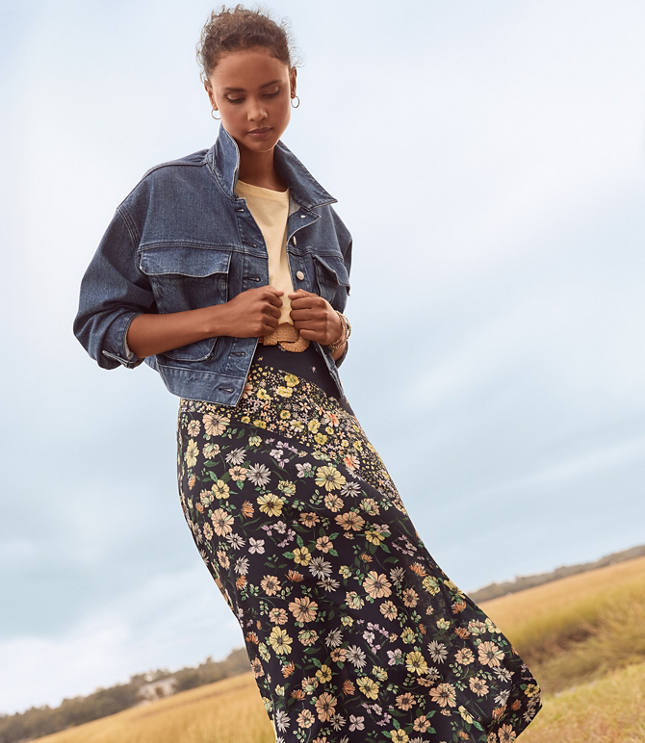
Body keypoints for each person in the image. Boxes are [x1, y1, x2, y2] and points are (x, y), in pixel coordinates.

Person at [73, 5, 543, 741]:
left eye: (270, 92)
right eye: (235, 97)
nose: (256, 112)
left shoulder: (326, 222)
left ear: (295, 84)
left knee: (398, 579)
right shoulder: (166, 192)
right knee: (295, 632)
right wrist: (217, 318)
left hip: (321, 418)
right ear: (209, 95)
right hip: (228, 437)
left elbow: (326, 333)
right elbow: (100, 326)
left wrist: (339, 329)